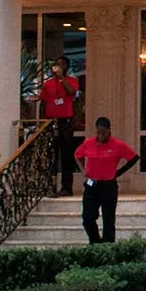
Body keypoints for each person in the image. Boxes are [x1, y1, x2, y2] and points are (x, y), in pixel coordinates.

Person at [74, 115, 138, 243]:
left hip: (108, 185)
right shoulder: (89, 143)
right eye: (98, 132)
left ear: (109, 130)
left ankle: (108, 244)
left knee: (108, 219)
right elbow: (77, 155)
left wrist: (118, 173)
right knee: (88, 217)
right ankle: (95, 242)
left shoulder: (117, 144)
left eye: (103, 132)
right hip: (92, 184)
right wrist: (83, 171)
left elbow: (134, 157)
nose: (101, 135)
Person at [39, 56, 83, 196]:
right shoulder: (47, 84)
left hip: (66, 121)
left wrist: (61, 79)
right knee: (51, 155)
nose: (57, 66)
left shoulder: (71, 81)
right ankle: (49, 186)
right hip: (51, 121)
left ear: (66, 67)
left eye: (60, 64)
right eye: (55, 64)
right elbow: (43, 102)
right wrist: (41, 122)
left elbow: (71, 93)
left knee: (66, 155)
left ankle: (66, 187)